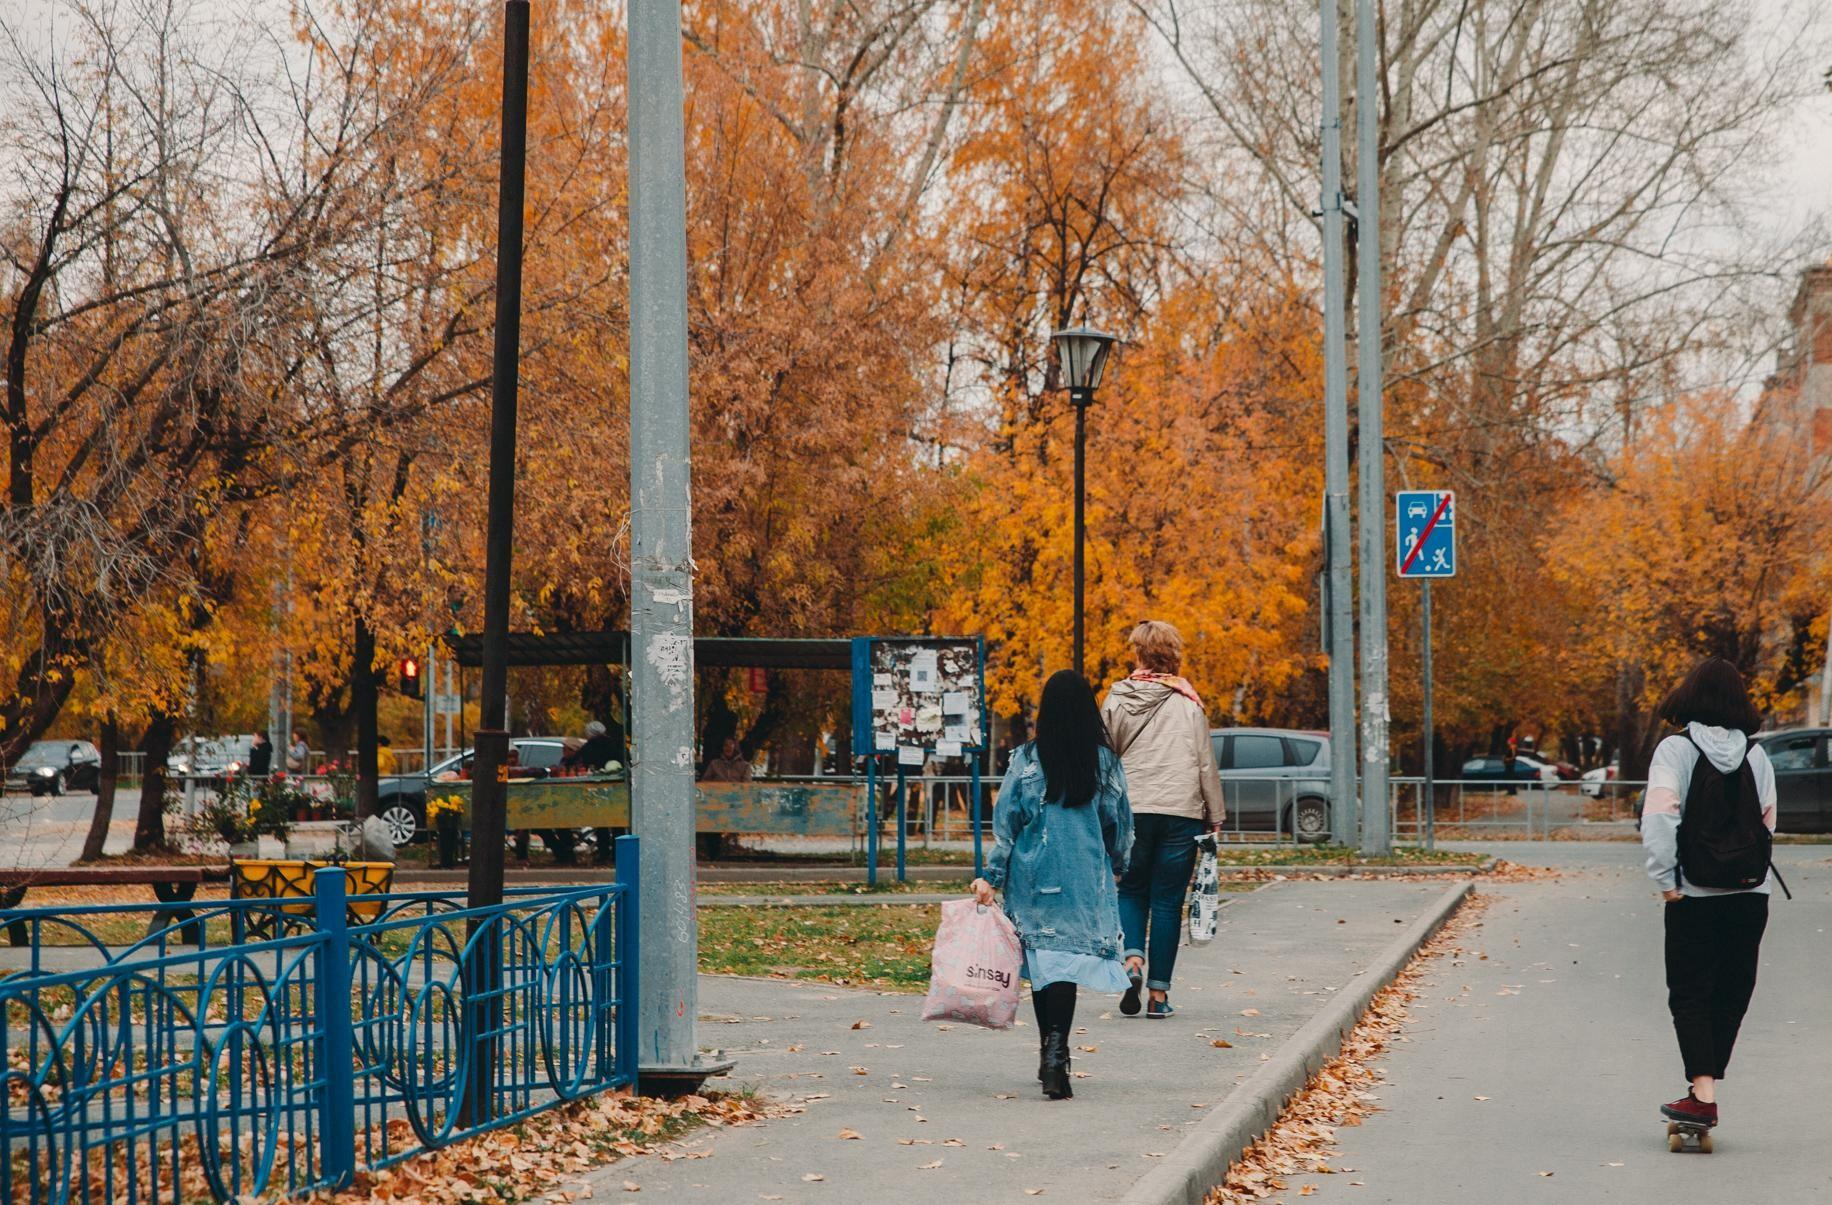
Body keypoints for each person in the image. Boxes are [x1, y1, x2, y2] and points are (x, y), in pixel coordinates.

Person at [971, 670, 1132, 1101]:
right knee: (1062, 967)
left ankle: (1050, 1051)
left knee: (1045, 967)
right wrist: (1117, 864)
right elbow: (1118, 826)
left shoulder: (1026, 760)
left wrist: (993, 874)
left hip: (1033, 876)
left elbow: (1007, 822)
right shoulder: (1104, 763)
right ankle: (1057, 1053)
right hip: (1082, 880)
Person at [1642, 656, 1778, 1133]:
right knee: (1732, 990)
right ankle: (1704, 1091)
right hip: (1749, 892)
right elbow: (1767, 822)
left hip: (1693, 893)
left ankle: (1703, 1094)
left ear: (1690, 695)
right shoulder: (1757, 755)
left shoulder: (1675, 752)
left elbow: (1660, 817)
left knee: (1691, 992)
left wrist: (1665, 881)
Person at [1101, 620, 1224, 1020]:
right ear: (1173, 655)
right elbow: (1205, 763)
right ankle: (1158, 997)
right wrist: (1215, 816)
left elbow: (1104, 759)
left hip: (1131, 810)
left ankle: (1132, 961)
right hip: (1181, 813)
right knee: (1168, 903)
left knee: (1131, 890)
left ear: (1138, 654)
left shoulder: (1116, 699)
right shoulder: (1188, 702)